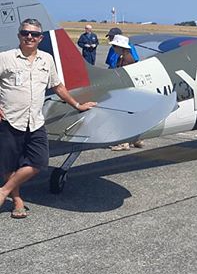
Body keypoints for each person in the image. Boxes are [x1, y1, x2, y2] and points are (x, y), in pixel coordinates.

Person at [0, 19, 96, 218]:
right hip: (9, 120)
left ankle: (3, 191)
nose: (29, 37)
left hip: (35, 121)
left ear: (40, 38)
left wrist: (77, 105)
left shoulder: (46, 59)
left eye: (34, 34)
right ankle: (17, 201)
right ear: (19, 35)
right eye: (25, 33)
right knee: (9, 164)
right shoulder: (5, 58)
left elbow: (57, 86)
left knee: (40, 161)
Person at [108, 34, 144, 150]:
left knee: (123, 117)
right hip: (130, 93)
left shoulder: (126, 60)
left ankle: (124, 143)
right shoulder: (126, 58)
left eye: (115, 46)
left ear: (121, 47)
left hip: (126, 92)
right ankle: (136, 139)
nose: (113, 48)